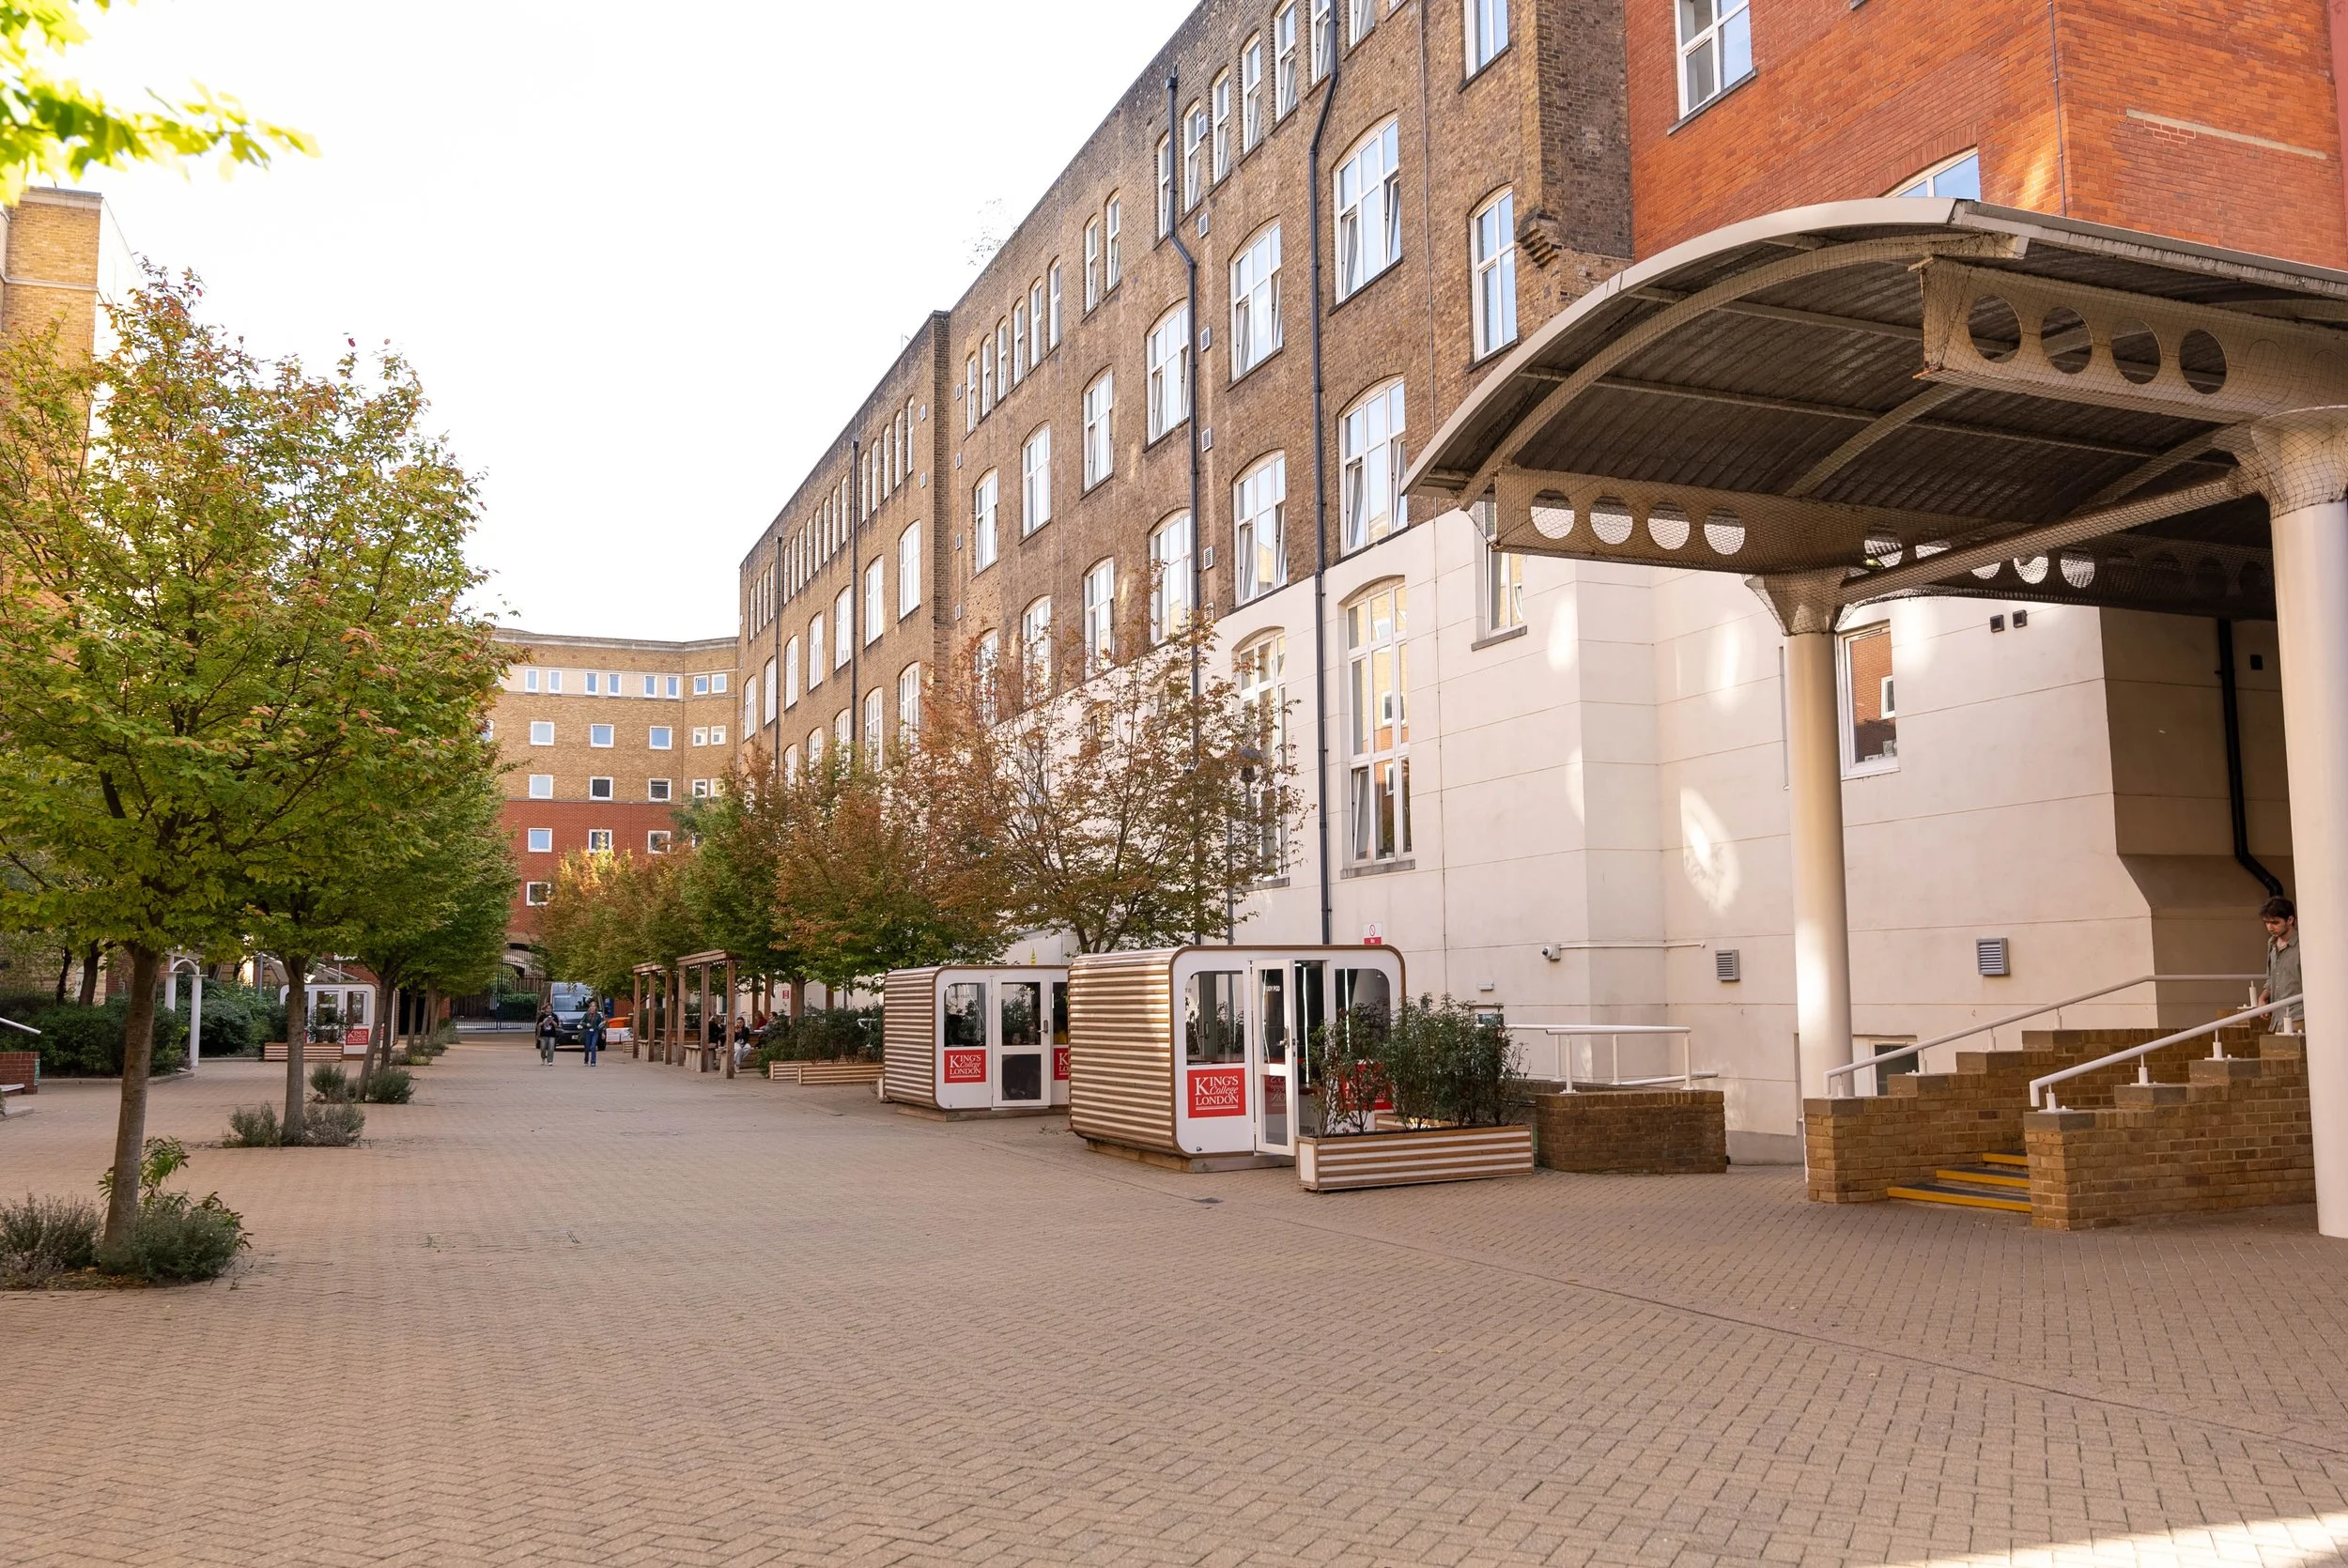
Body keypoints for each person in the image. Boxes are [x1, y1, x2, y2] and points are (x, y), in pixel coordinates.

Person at [2261, 895, 2303, 1032]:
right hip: (2277, 1017)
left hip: (2298, 1016)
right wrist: (2263, 998)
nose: (2270, 927)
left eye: (2275, 922)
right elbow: (2271, 978)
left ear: (2290, 920)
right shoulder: (2272, 943)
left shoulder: (2303, 945)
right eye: (2266, 922)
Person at [582, 1000, 604, 1065]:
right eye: (591, 1006)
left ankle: (593, 1062)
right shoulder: (586, 1015)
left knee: (593, 1046)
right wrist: (586, 1025)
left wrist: (602, 1033)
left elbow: (601, 1025)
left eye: (594, 1006)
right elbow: (582, 1022)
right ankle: (586, 1060)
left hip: (595, 1032)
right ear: (589, 1007)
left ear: (596, 1008)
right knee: (587, 1047)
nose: (593, 1008)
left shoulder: (598, 1015)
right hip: (587, 1032)